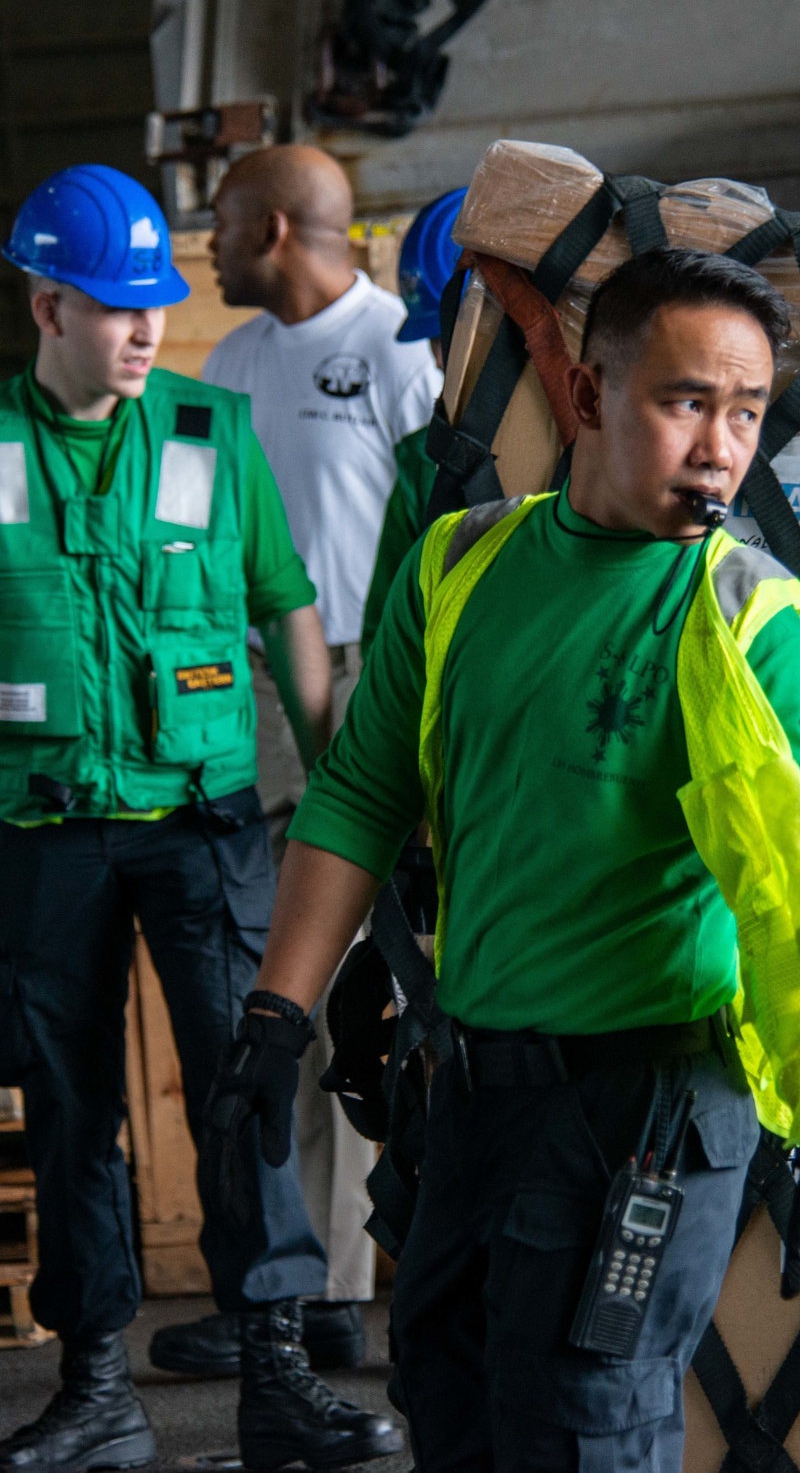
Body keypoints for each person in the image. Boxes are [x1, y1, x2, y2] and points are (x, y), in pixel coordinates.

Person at [203, 246, 800, 1471]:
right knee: (453, 1403)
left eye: (745, 412)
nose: (722, 446)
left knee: (581, 1432)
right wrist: (277, 1014)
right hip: (471, 1095)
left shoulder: (747, 622)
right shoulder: (460, 565)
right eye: (686, 401)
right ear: (584, 397)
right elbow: (362, 791)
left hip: (645, 1114)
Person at [0, 165, 401, 1472]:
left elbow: (289, 604)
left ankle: (278, 1371)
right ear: (46, 304)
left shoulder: (205, 430)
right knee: (70, 1108)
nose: (144, 330)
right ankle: (96, 1384)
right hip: (44, 827)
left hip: (202, 821)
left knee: (246, 1085)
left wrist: (344, 786)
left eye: (153, 307)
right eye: (115, 308)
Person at [155, 143, 441, 1378]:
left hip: (375, 671)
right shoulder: (230, 363)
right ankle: (302, 1292)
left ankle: (398, 1269)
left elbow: (444, 523)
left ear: (274, 228)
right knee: (282, 990)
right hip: (251, 677)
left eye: (219, 227)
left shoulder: (396, 351)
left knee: (396, 978)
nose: (206, 251)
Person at [360, 187, 466, 658]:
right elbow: (386, 634)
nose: (438, 359)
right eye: (431, 339)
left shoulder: (602, 455)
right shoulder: (425, 458)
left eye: (451, 332)